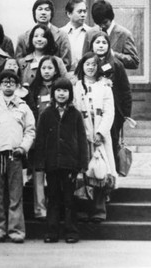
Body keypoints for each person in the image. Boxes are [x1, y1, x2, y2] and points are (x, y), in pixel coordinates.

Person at [0, 70, 35, 244]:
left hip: (15, 155)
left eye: (12, 82)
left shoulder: (23, 107)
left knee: (15, 194)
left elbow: (30, 130)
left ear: (18, 86)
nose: (8, 84)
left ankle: (16, 230)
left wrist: (23, 147)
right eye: (5, 82)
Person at [35, 78, 89, 244]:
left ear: (70, 94)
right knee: (53, 197)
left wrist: (82, 166)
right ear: (53, 93)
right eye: (58, 90)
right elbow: (40, 140)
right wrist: (40, 164)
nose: (61, 94)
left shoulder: (75, 114)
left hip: (70, 164)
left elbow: (82, 139)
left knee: (69, 199)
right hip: (52, 164)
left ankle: (71, 231)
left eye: (65, 90)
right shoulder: (46, 114)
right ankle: (52, 231)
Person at [73, 52, 116, 222]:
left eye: (94, 64)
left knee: (100, 171)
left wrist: (100, 132)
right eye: (87, 64)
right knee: (82, 171)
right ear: (82, 66)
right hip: (81, 135)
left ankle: (99, 208)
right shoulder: (75, 87)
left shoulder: (104, 87)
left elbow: (109, 112)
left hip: (99, 137)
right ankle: (82, 207)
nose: (90, 67)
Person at [89, 32, 132, 172]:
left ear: (108, 46)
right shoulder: (88, 63)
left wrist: (125, 113)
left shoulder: (116, 64)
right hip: (90, 111)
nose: (101, 46)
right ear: (91, 45)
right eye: (97, 42)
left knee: (110, 141)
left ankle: (110, 174)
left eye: (104, 43)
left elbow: (125, 90)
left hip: (112, 112)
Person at [27, 56, 64, 221]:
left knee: (56, 174)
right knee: (38, 174)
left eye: (50, 68)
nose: (47, 71)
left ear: (55, 70)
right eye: (44, 68)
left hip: (57, 137)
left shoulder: (61, 88)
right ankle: (40, 209)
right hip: (38, 137)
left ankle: (56, 208)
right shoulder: (33, 90)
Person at [15, 0, 72, 70]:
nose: (43, 12)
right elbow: (18, 62)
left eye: (47, 9)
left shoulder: (62, 35)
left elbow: (66, 62)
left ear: (52, 13)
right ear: (34, 12)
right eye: (40, 9)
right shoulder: (23, 37)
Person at [83, 0, 139, 70]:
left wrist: (114, 55)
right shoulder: (90, 34)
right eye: (99, 24)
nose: (102, 26)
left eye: (105, 22)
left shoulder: (124, 34)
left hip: (116, 79)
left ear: (111, 17)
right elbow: (84, 60)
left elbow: (134, 62)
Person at [59, 0, 92, 71]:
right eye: (79, 12)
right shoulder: (60, 33)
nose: (83, 15)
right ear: (69, 14)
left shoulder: (91, 32)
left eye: (84, 11)